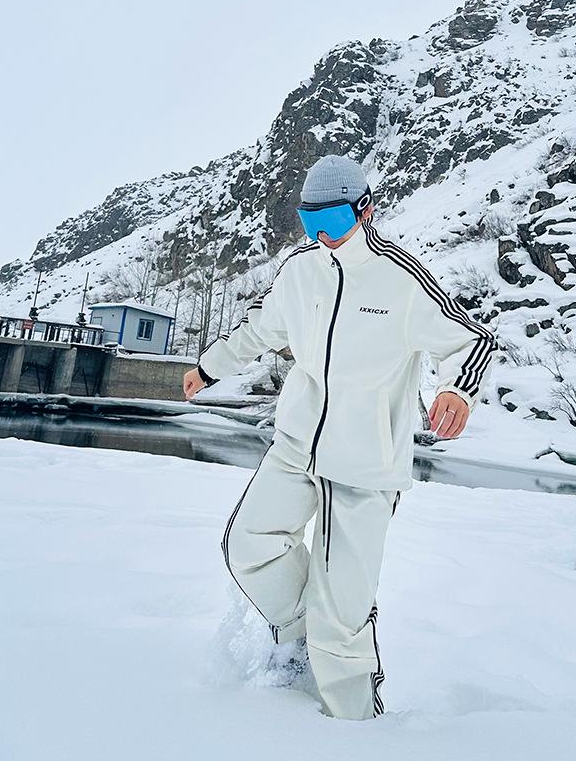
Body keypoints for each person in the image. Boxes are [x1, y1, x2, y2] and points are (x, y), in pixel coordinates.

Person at [183, 155, 498, 719]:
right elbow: (260, 327)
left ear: (366, 209)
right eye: (310, 223)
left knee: (344, 611)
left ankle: (353, 725)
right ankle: (303, 637)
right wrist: (210, 368)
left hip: (366, 461)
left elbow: (472, 339)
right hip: (297, 443)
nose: (322, 236)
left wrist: (457, 391)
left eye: (332, 222)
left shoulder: (400, 278)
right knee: (249, 543)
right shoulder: (299, 271)